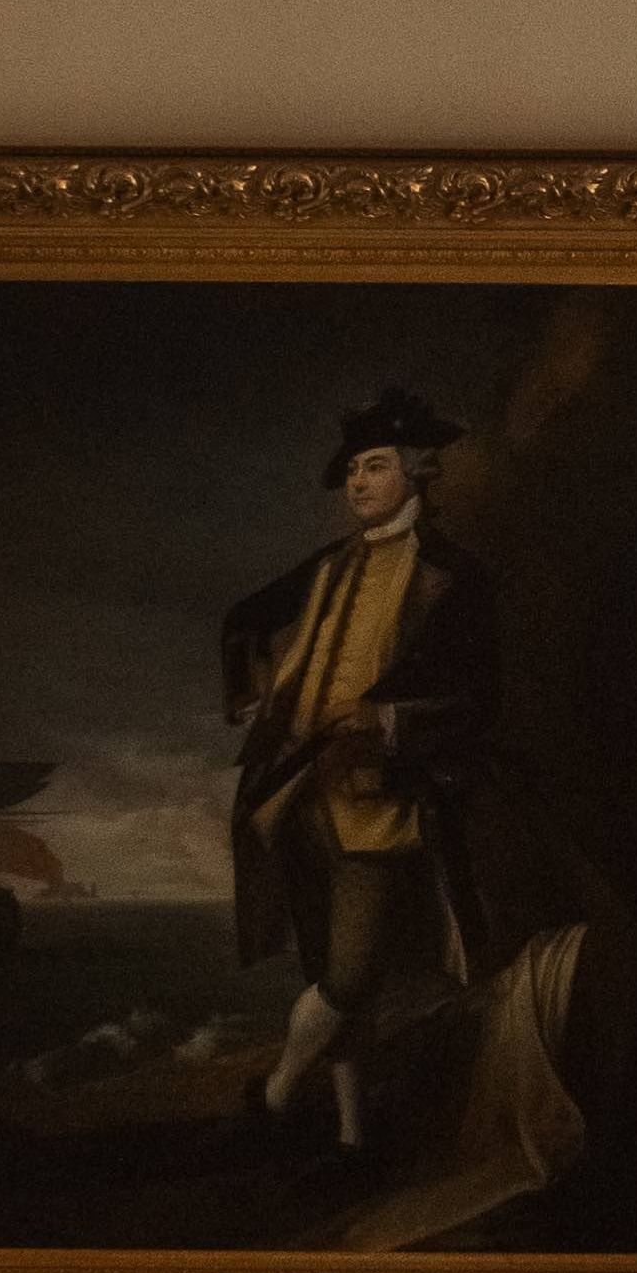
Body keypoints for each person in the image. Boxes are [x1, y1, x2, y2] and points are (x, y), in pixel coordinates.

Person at [218, 387, 501, 1145]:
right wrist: (250, 692)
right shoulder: (328, 566)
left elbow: (481, 700)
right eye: (351, 471)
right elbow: (245, 617)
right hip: (300, 795)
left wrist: (386, 719)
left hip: (382, 801)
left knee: (349, 977)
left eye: (374, 466)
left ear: (416, 471)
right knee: (334, 976)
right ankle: (353, 1138)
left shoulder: (453, 576)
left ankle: (276, 1092)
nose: (357, 483)